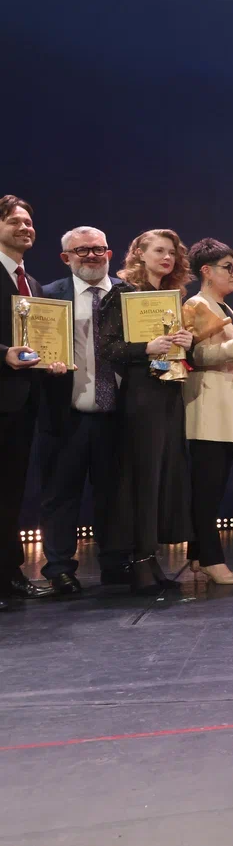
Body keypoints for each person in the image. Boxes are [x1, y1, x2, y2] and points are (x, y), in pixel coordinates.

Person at [99, 229, 195, 594]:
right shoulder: (122, 293)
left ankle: (150, 556)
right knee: (142, 477)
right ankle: (138, 559)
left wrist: (185, 343)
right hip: (141, 396)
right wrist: (146, 348)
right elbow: (107, 347)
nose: (167, 257)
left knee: (164, 475)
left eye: (172, 252)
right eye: (159, 251)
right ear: (139, 253)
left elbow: (175, 350)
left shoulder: (171, 297)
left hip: (169, 391)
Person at [35, 226, 119, 595]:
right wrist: (43, 363)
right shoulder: (47, 296)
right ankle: (59, 569)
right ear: (65, 257)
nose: (91, 256)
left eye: (98, 249)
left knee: (114, 495)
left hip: (117, 415)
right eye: (81, 250)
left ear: (109, 254)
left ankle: (115, 563)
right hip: (65, 414)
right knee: (60, 496)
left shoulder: (130, 295)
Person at [0, 195, 64, 608]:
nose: (25, 228)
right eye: (15, 221)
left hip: (22, 405)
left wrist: (54, 362)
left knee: (10, 494)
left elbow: (36, 345)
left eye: (29, 222)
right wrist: (2, 354)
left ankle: (9, 574)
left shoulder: (33, 286)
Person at [182, 238, 233, 584]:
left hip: (225, 403)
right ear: (206, 271)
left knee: (213, 486)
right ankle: (213, 559)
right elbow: (195, 356)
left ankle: (198, 555)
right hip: (207, 405)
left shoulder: (224, 307)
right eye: (227, 267)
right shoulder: (196, 304)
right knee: (207, 490)